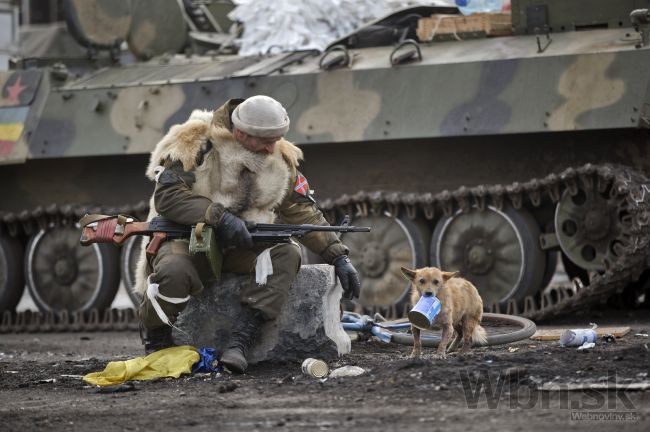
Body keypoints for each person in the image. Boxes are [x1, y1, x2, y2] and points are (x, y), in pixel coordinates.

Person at [134, 95, 361, 373]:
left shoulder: (279, 156)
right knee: (173, 270)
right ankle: (157, 340)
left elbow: (301, 212)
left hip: (240, 246)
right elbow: (168, 196)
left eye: (276, 139)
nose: (271, 148)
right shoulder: (194, 143)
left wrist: (338, 256)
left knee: (286, 253)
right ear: (240, 133)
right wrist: (220, 217)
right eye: (265, 141)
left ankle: (241, 339)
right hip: (187, 240)